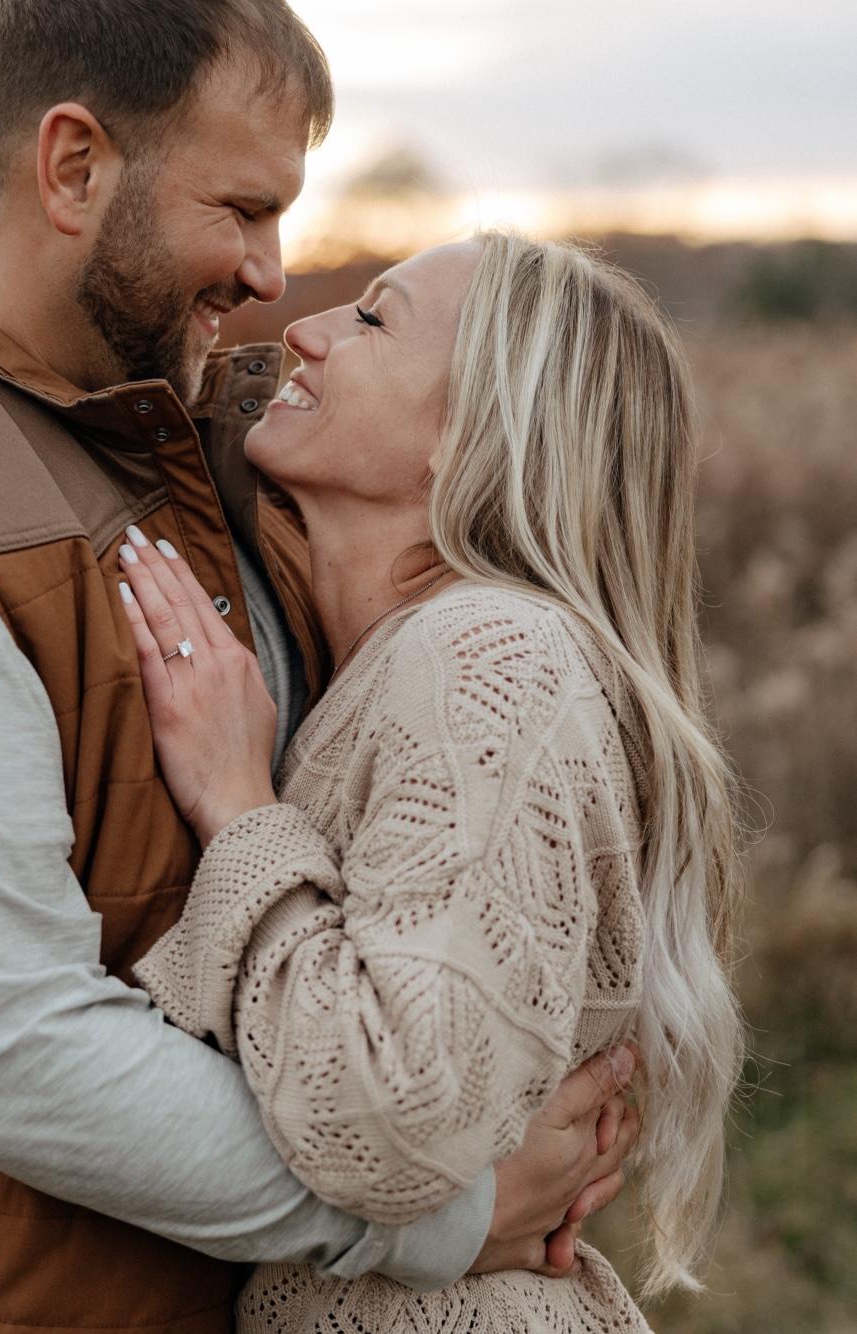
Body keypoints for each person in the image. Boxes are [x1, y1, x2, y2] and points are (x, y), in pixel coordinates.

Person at [0, 5, 638, 1331]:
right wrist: (440, 1214)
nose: (270, 277)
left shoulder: (211, 468)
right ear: (72, 168)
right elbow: (2, 1049)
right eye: (240, 208)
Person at [120, 232, 745, 1332]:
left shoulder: (487, 661)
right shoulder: (406, 661)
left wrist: (237, 804)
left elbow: (393, 1116)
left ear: (472, 435)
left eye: (372, 319)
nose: (304, 330)